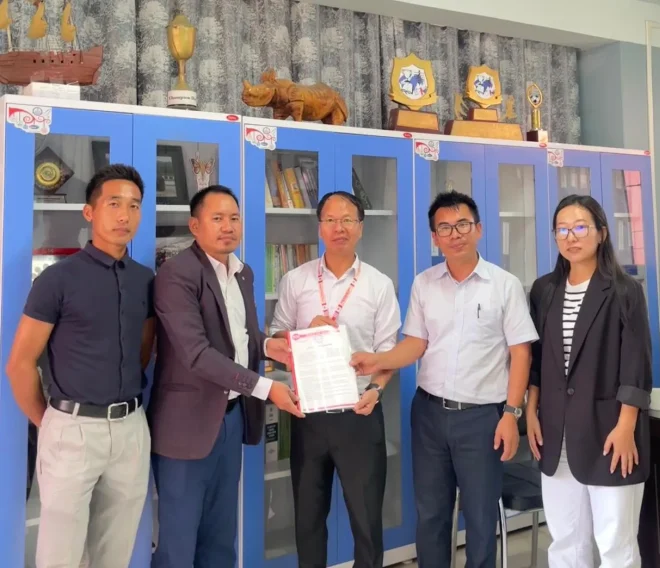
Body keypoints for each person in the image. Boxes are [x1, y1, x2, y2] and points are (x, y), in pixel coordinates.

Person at [351, 191, 538, 568]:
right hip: (429, 415)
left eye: (463, 224)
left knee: (481, 518)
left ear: (479, 229)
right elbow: (416, 344)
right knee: (431, 514)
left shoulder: (504, 285)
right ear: (435, 237)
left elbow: (521, 353)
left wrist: (511, 413)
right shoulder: (424, 283)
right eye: (445, 228)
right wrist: (377, 361)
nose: (455, 234)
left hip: (482, 418)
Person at [6, 164, 155, 568]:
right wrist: (50, 422)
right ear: (89, 212)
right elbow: (20, 364)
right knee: (61, 554)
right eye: (114, 204)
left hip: (131, 429)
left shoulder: (145, 279)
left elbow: (143, 350)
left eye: (134, 206)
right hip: (71, 429)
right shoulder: (58, 280)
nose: (125, 215)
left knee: (115, 550)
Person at [148, 185, 303, 568]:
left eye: (234, 218)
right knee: (178, 541)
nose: (228, 226)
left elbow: (243, 337)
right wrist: (267, 388)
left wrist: (271, 347)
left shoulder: (242, 273)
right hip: (186, 428)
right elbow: (197, 354)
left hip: (231, 419)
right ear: (195, 226)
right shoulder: (176, 275)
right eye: (217, 218)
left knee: (220, 535)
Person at [269, 191, 401, 568]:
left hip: (359, 412)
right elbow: (275, 338)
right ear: (319, 227)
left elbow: (389, 353)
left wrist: (376, 389)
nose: (338, 227)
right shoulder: (296, 280)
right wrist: (301, 333)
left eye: (347, 220)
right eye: (330, 219)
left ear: (360, 227)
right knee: (308, 519)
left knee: (366, 520)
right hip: (308, 414)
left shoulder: (378, 284)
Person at [525, 194, 651, 567]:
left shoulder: (625, 290)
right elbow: (537, 360)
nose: (571, 237)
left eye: (580, 227)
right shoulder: (544, 290)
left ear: (602, 233)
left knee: (615, 545)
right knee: (565, 543)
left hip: (609, 433)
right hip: (555, 435)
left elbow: (636, 365)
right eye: (562, 229)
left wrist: (626, 426)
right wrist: (531, 411)